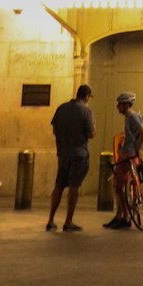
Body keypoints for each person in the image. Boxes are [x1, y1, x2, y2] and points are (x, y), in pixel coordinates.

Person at [45, 83, 95, 233]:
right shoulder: (86, 111)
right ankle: (68, 221)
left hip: (63, 153)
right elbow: (91, 134)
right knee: (74, 187)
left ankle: (50, 220)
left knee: (58, 186)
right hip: (79, 154)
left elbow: (55, 130)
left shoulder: (61, 108)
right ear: (86, 96)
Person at [105, 92, 143, 230]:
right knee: (119, 186)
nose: (117, 107)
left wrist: (140, 149)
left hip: (128, 155)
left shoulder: (131, 117)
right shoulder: (130, 117)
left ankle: (124, 217)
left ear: (125, 105)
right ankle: (120, 216)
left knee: (118, 186)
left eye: (119, 104)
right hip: (129, 154)